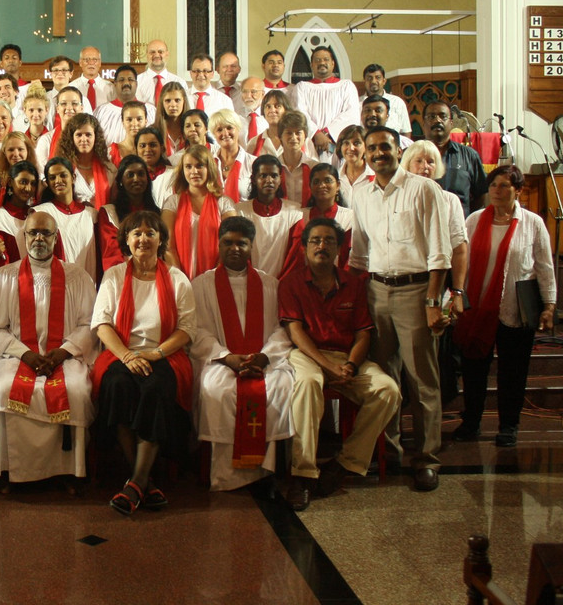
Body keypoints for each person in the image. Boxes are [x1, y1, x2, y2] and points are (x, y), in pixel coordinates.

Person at [349, 126, 452, 492]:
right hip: (376, 291)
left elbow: (440, 251)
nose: (378, 153)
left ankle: (426, 459)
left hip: (415, 291)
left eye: (385, 147)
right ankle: (389, 451)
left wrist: (431, 301)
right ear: (365, 152)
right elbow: (358, 252)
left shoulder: (424, 189)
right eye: (372, 148)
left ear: (398, 149)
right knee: (385, 377)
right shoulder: (360, 192)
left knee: (422, 379)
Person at [279, 217, 401, 510]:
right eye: (315, 241)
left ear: (339, 248)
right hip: (308, 354)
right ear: (305, 248)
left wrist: (351, 365)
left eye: (329, 241)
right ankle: (303, 474)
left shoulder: (354, 284)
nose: (322, 246)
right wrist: (327, 366)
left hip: (347, 356)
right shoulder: (290, 283)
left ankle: (345, 463)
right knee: (307, 384)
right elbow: (296, 334)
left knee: (388, 390)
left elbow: (363, 333)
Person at [0, 210, 98, 489]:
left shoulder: (77, 276)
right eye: (33, 232)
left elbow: (89, 323)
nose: (39, 238)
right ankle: (8, 470)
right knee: (7, 388)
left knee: (77, 390)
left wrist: (64, 351)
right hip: (14, 355)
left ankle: (71, 471)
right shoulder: (3, 277)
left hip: (66, 356)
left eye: (46, 233)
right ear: (24, 236)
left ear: (56, 238)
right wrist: (26, 354)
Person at [92, 210, 196, 514]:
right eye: (136, 233)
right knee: (117, 385)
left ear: (161, 239)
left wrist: (155, 353)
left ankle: (135, 482)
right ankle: (144, 483)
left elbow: (187, 329)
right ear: (126, 240)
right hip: (121, 353)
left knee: (154, 389)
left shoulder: (176, 279)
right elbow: (102, 324)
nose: (143, 239)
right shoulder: (113, 276)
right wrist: (126, 355)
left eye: (150, 233)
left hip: (164, 354)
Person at [452, 166, 556, 448]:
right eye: (494, 185)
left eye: (505, 185)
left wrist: (549, 305)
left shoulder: (532, 223)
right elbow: (461, 259)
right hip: (477, 309)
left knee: (513, 372)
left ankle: (509, 426)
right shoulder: (474, 220)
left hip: (515, 309)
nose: (497, 190)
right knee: (474, 371)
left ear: (518, 190)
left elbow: (545, 268)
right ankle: (471, 421)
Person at [193, 216, 294, 491]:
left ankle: (267, 471)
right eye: (228, 242)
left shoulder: (269, 284)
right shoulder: (201, 285)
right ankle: (227, 475)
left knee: (280, 386)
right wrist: (226, 357)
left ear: (252, 246)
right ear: (218, 244)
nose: (234, 249)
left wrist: (264, 356)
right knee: (217, 389)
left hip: (264, 360)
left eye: (242, 243)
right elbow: (198, 331)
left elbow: (280, 329)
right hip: (220, 361)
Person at [401, 140, 470, 323]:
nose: (425, 166)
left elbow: (459, 249)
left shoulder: (450, 200)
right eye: (419, 161)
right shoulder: (397, 197)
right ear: (407, 164)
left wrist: (457, 291)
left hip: (438, 281)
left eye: (430, 162)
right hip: (404, 283)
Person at [162, 144, 236, 280]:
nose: (194, 171)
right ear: (182, 170)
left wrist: (210, 280)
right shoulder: (173, 203)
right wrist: (181, 280)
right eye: (188, 166)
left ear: (209, 168)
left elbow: (230, 245)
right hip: (179, 278)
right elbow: (168, 247)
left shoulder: (224, 203)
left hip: (216, 278)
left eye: (199, 166)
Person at [281, 162, 355, 277]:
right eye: (316, 182)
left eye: (327, 180)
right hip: (306, 282)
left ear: (338, 185)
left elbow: (351, 259)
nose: (322, 185)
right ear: (310, 186)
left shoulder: (350, 217)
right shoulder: (300, 216)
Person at [233, 155, 303, 278]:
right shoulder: (240, 212)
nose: (269, 180)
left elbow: (295, 257)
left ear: (280, 179)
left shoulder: (295, 212)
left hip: (283, 283)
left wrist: (280, 282)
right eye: (263, 175)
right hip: (249, 281)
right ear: (254, 179)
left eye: (274, 175)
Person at [34, 157, 99, 283]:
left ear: (73, 178)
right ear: (47, 182)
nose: (58, 181)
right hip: (55, 286)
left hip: (88, 286)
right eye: (52, 178)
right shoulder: (41, 213)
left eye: (63, 175)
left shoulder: (91, 214)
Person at [290, 46, 360, 158]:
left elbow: (351, 114)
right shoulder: (302, 87)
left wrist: (327, 133)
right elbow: (299, 113)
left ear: (333, 64)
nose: (322, 62)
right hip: (310, 143)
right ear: (311, 65)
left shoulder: (346, 86)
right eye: (317, 60)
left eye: (326, 59)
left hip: (337, 143)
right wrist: (316, 134)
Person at [423, 101, 488, 216]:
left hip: (458, 226)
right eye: (432, 117)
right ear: (424, 123)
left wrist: (463, 214)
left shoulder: (469, 156)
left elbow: (482, 194)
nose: (438, 120)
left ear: (452, 123)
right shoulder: (412, 155)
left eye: (443, 116)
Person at [98, 155, 160, 272]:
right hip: (122, 275)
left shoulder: (157, 213)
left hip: (154, 274)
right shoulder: (109, 214)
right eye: (130, 175)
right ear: (121, 181)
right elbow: (111, 255)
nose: (136, 179)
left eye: (141, 174)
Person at [0, 160, 40, 265]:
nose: (28, 188)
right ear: (10, 182)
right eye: (23, 182)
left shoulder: (36, 214)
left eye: (33, 184)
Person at [56, 112, 115, 208]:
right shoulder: (63, 168)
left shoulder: (109, 169)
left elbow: (114, 203)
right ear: (71, 138)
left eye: (88, 135)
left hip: (102, 220)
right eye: (79, 135)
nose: (84, 139)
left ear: (96, 137)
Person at [95, 64, 156, 145]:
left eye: (130, 79)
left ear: (136, 84)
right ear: (115, 84)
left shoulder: (151, 110)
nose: (126, 83)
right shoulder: (101, 112)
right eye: (121, 80)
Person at [210, 109, 254, 203]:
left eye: (229, 128)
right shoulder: (208, 164)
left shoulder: (253, 163)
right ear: (214, 134)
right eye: (219, 130)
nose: (225, 133)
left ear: (238, 129)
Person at [36, 85, 85, 168]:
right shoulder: (46, 140)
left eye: (74, 103)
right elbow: (41, 175)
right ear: (57, 108)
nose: (69, 108)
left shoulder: (89, 139)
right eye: (63, 104)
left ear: (81, 108)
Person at [276, 111, 318, 207]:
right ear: (280, 137)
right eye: (289, 133)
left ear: (305, 136)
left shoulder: (314, 167)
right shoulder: (274, 167)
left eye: (298, 133)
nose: (294, 137)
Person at [361, 63, 411, 137]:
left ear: (384, 81)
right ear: (364, 82)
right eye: (369, 78)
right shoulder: (356, 103)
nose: (373, 81)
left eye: (378, 77)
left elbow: (405, 131)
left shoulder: (397, 102)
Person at [135, 39, 187, 106]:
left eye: (160, 52)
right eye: (152, 52)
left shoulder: (180, 82)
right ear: (147, 55)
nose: (156, 55)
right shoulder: (137, 82)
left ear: (167, 54)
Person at [134, 126, 175, 207]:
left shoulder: (174, 174)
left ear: (162, 149)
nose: (148, 149)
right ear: (136, 150)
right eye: (142, 146)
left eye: (152, 145)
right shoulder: (133, 177)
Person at [69, 45, 114, 109]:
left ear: (100, 63)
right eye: (87, 60)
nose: (91, 63)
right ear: (80, 63)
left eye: (95, 59)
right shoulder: (71, 87)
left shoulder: (110, 88)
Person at [336, 124, 373, 200]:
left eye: (356, 143)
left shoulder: (375, 177)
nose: (351, 148)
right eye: (346, 143)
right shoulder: (336, 177)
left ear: (366, 147)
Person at [108, 100, 148, 167]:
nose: (134, 124)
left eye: (139, 119)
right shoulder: (111, 152)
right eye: (129, 120)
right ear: (123, 122)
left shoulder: (152, 151)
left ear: (146, 121)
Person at [157, 82, 189, 158]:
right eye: (168, 101)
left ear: (184, 101)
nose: (173, 105)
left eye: (177, 100)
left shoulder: (192, 130)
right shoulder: (153, 131)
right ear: (162, 103)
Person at [19, 84, 51, 148]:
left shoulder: (51, 138)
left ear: (46, 110)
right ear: (24, 110)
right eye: (31, 110)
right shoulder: (21, 140)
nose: (35, 114)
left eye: (39, 110)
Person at [238, 76, 267, 144]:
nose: (248, 96)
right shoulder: (236, 116)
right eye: (245, 91)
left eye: (253, 92)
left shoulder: (269, 116)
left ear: (263, 94)